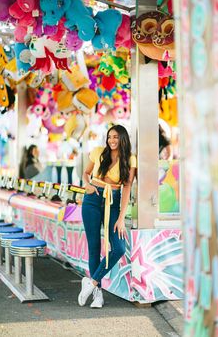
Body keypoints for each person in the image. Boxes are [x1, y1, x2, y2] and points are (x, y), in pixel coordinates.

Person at [78, 125, 137, 308]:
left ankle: (92, 282)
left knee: (118, 247)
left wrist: (121, 218)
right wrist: (86, 185)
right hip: (92, 198)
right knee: (94, 247)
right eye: (110, 136)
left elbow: (127, 187)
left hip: (113, 200)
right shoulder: (98, 152)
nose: (112, 140)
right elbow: (85, 173)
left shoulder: (130, 159)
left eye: (116, 137)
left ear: (123, 139)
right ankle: (98, 296)